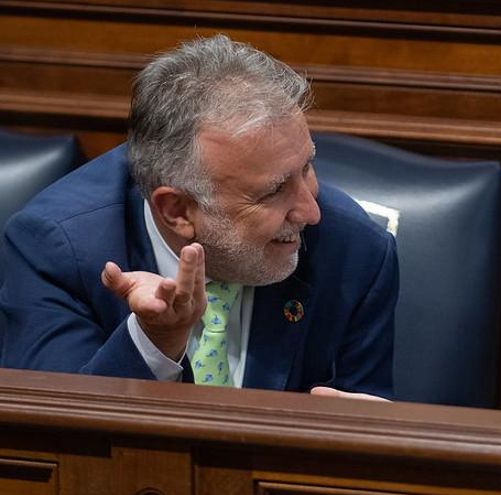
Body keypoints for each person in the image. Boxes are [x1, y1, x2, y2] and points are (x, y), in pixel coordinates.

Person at [0, 34, 397, 400]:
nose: (311, 211)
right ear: (176, 211)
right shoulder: (55, 249)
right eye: (274, 190)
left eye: (308, 167)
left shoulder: (355, 250)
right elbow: (56, 442)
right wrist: (155, 341)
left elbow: (366, 420)